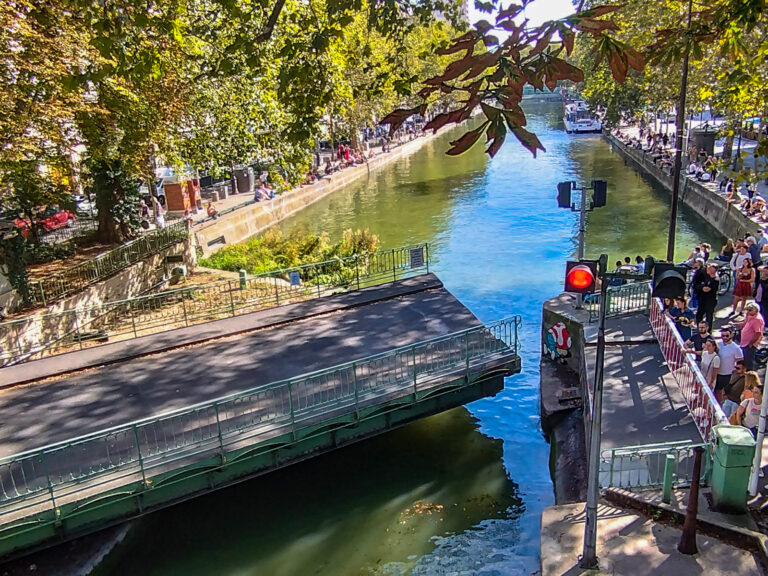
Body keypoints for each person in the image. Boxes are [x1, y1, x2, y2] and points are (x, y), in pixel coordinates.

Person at [716, 326, 744, 403]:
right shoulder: (718, 345)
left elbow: (740, 362)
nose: (724, 337)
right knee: (717, 391)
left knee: (726, 393)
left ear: (731, 335)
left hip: (728, 374)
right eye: (723, 336)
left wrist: (737, 373)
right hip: (717, 373)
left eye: (727, 335)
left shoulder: (736, 348)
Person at [737, 303, 765, 370]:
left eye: (750, 310)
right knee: (744, 359)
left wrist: (750, 344)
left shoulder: (757, 320)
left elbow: (758, 333)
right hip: (744, 343)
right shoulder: (750, 316)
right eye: (747, 310)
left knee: (748, 361)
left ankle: (749, 373)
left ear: (756, 310)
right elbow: (744, 323)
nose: (748, 311)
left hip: (749, 345)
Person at [696, 264, 719, 329]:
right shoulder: (705, 277)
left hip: (710, 301)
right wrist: (702, 288)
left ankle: (708, 330)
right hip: (702, 299)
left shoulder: (716, 280)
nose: (707, 269)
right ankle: (699, 328)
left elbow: (709, 289)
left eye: (709, 268)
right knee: (699, 314)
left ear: (713, 270)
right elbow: (698, 286)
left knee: (709, 316)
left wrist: (705, 288)